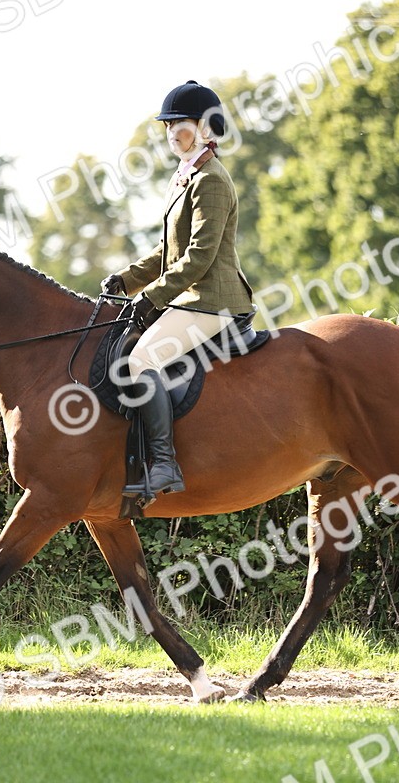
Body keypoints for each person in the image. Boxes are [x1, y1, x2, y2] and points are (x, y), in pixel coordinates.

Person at [102, 80, 255, 498]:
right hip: (191, 297)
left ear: (207, 128)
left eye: (180, 124)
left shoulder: (212, 180)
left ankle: (165, 465)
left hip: (212, 301)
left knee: (142, 359)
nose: (171, 132)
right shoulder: (185, 175)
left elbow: (200, 256)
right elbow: (168, 250)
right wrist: (128, 279)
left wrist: (151, 297)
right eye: (167, 125)